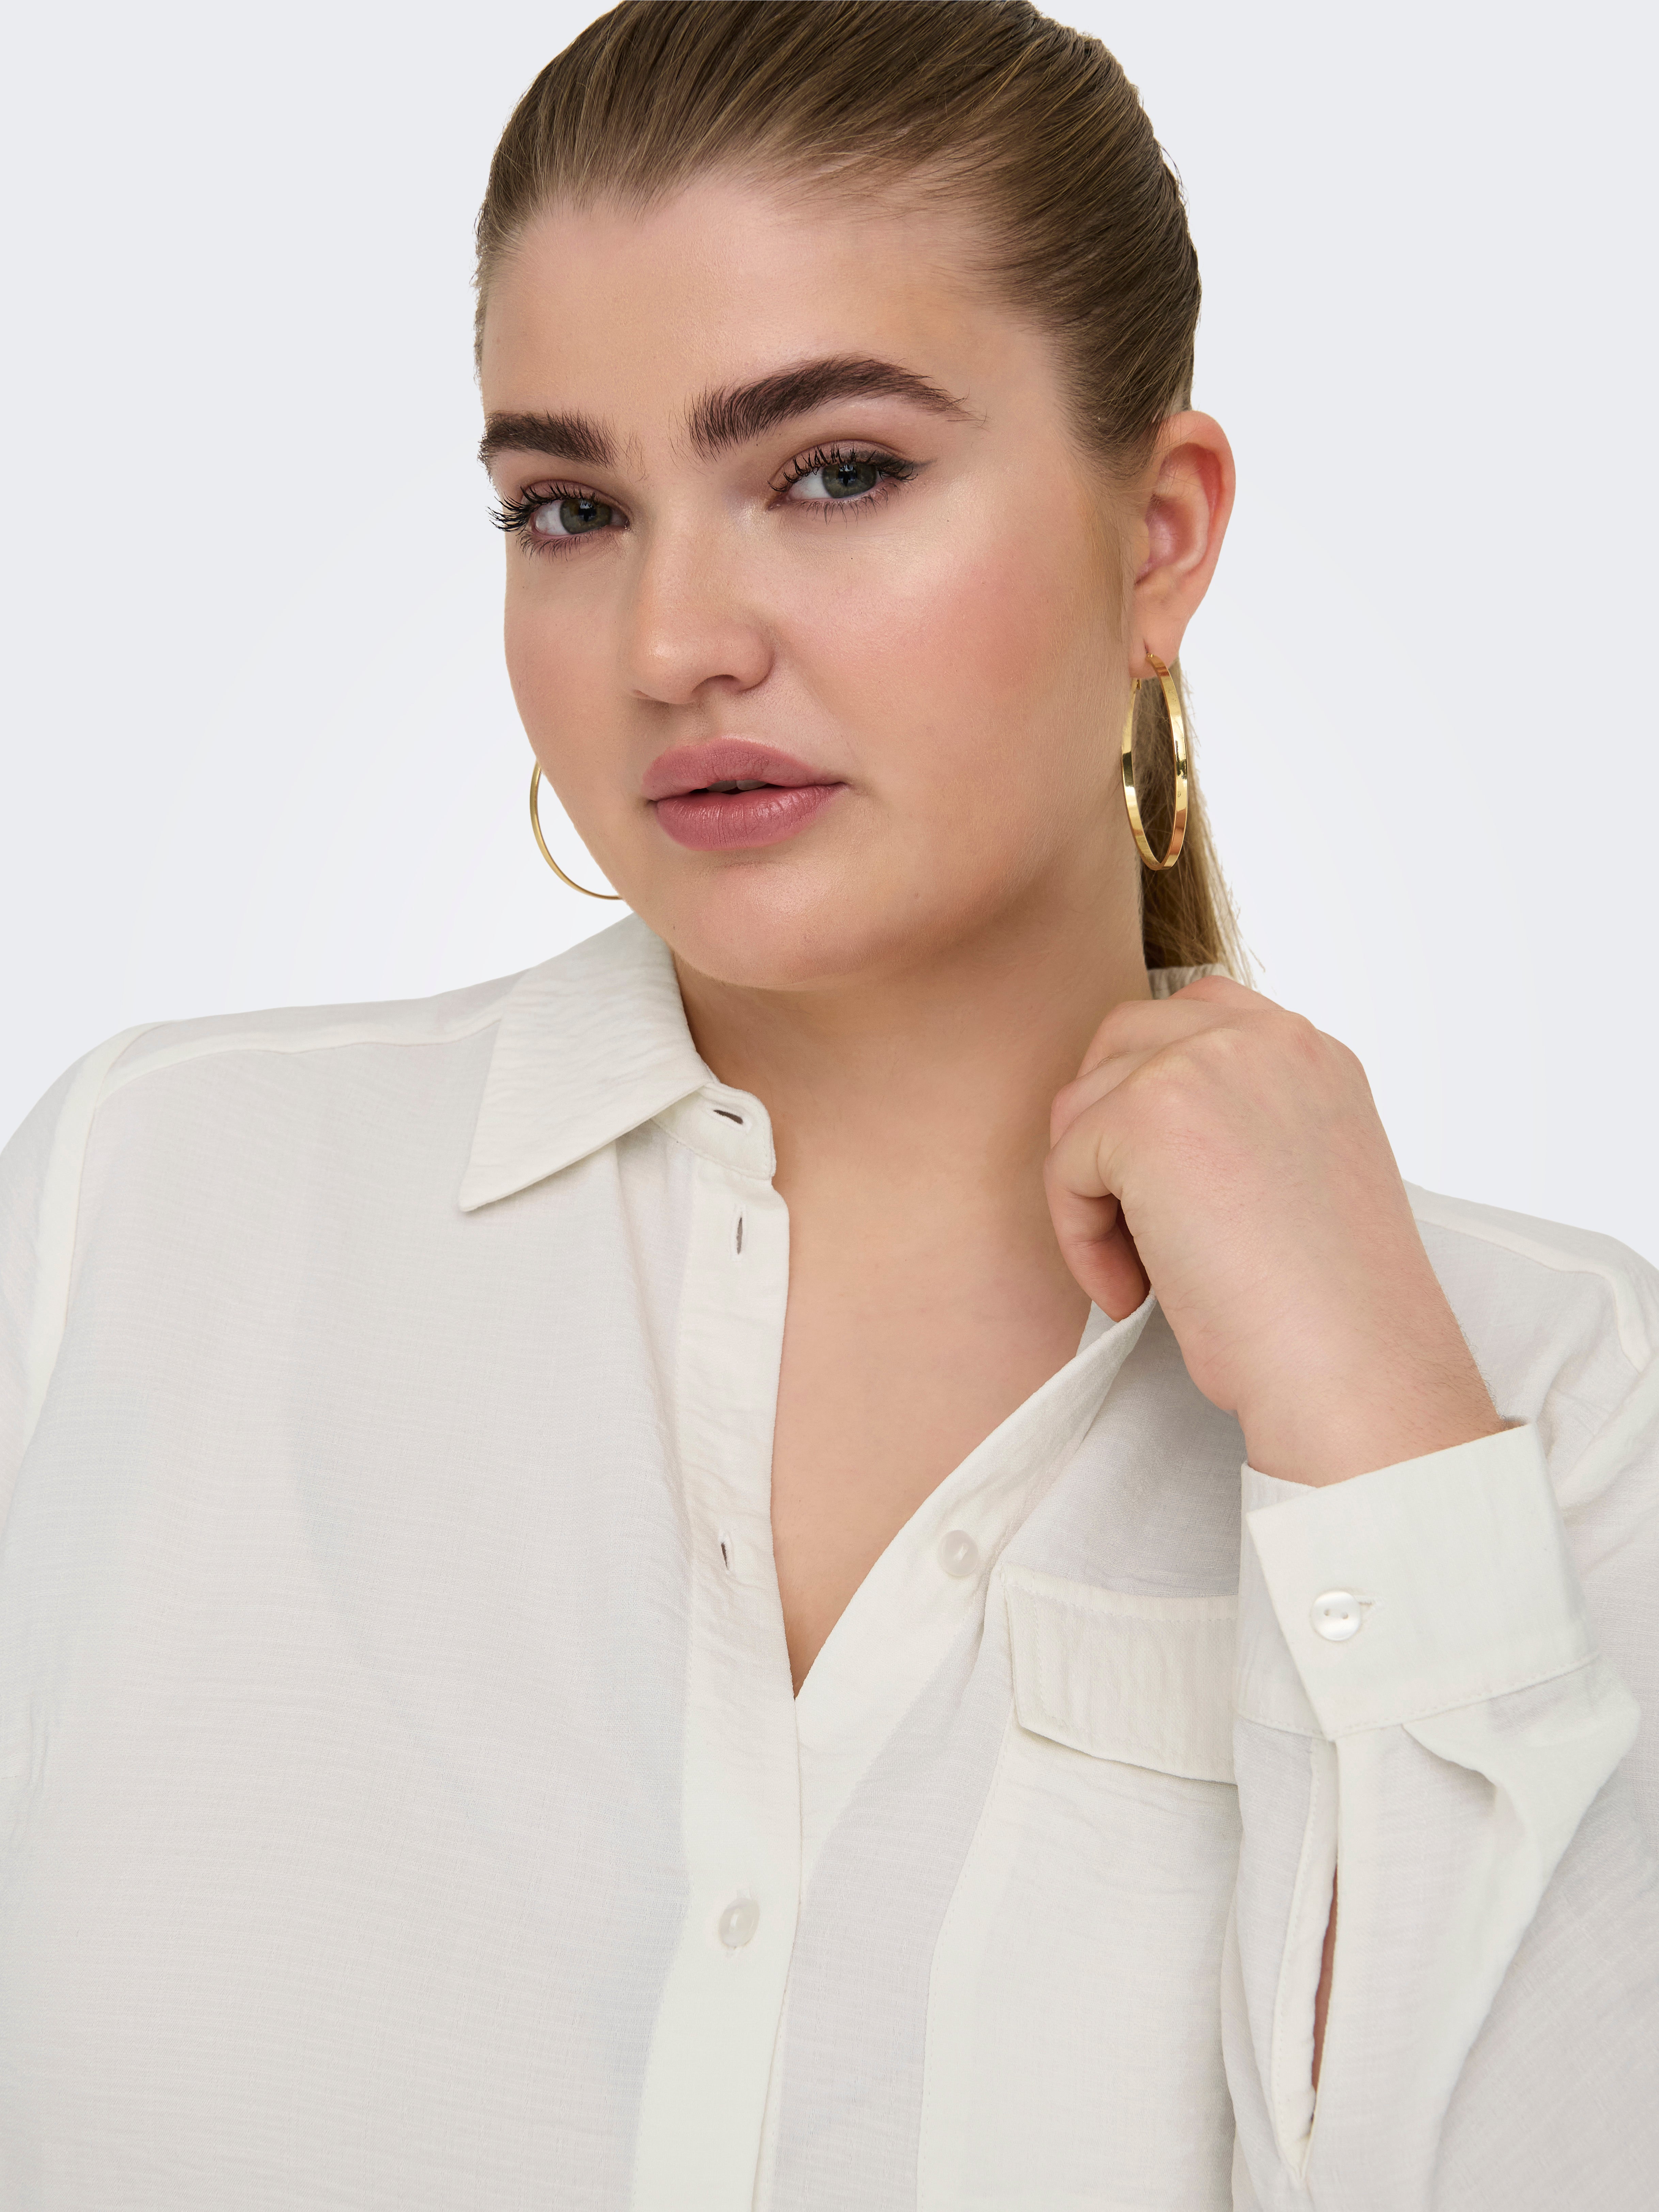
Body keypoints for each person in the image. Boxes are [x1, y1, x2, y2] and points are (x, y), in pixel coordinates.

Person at [1, 2, 1654, 2205]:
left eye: (835, 472)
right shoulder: (146, 1207)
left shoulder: (1555, 1392)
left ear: (1159, 537)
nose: (671, 637)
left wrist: (1378, 1444)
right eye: (570, 508)